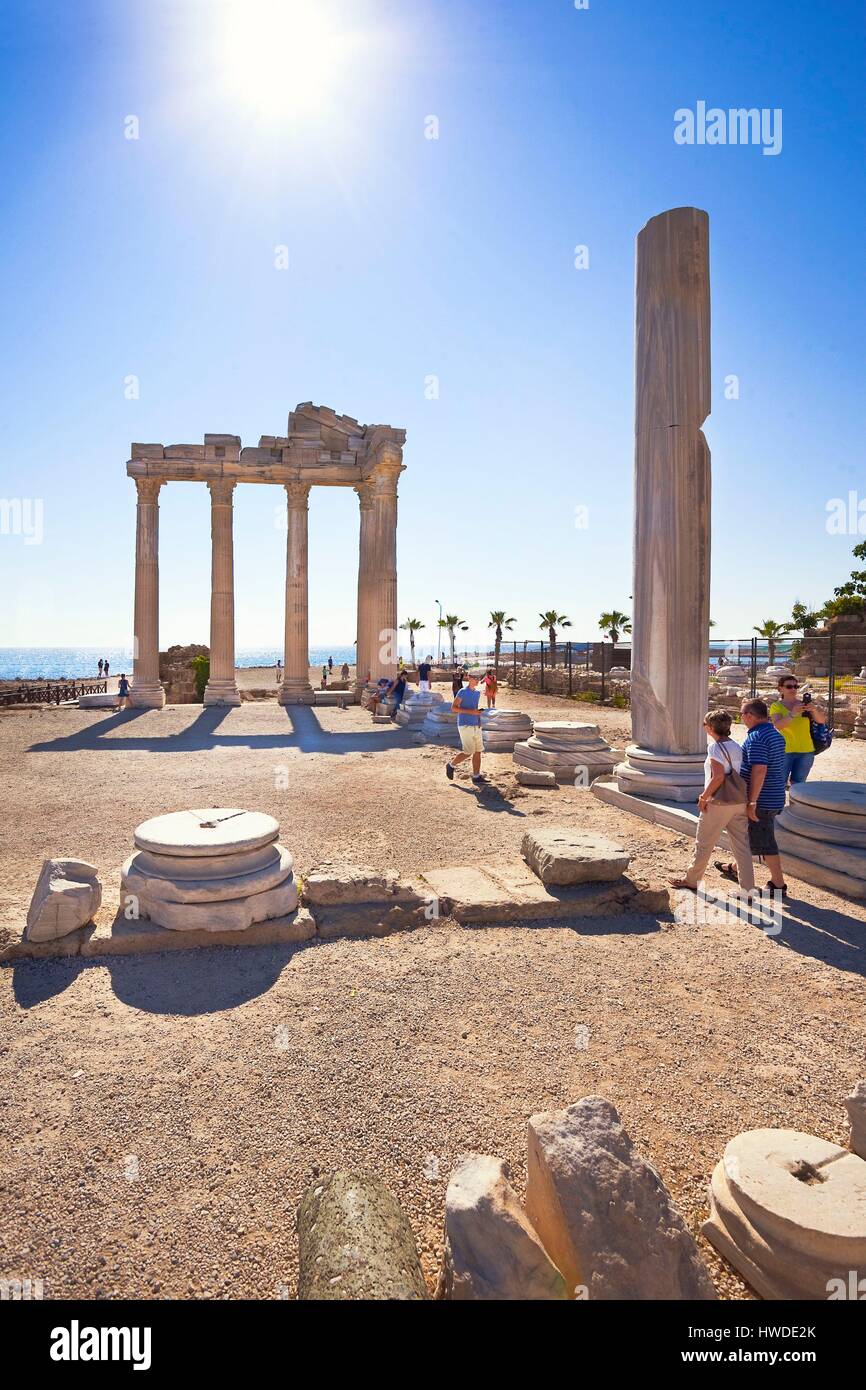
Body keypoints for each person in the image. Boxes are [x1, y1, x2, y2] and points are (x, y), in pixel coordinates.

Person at [669, 710, 755, 895]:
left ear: (710, 727)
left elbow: (717, 777)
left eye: (704, 724)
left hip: (718, 803)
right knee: (741, 846)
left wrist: (704, 797)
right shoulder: (736, 746)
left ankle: (692, 880)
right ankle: (747, 889)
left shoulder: (715, 748)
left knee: (704, 843)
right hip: (738, 801)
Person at [738, 697, 788, 897]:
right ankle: (736, 867)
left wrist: (752, 801)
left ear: (750, 715)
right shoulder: (775, 734)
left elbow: (759, 770)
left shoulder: (757, 736)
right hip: (774, 794)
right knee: (755, 835)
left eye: (742, 714)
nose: (740, 717)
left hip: (763, 798)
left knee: (766, 842)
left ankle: (778, 884)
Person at [769, 675, 826, 785]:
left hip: (806, 750)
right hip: (784, 750)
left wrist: (813, 710)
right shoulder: (776, 706)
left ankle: (795, 803)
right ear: (780, 689)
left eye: (796, 686)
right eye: (789, 686)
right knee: (779, 783)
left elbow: (821, 721)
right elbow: (778, 725)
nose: (793, 689)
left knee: (799, 784)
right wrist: (793, 714)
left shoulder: (805, 705)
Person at [445, 670, 485, 785]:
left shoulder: (477, 693)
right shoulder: (462, 692)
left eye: (478, 678)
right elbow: (454, 708)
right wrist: (472, 712)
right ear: (468, 678)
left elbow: (475, 709)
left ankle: (476, 776)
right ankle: (451, 765)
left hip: (476, 725)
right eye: (475, 678)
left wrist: (479, 720)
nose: (477, 680)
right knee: (468, 752)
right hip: (465, 725)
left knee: (478, 751)